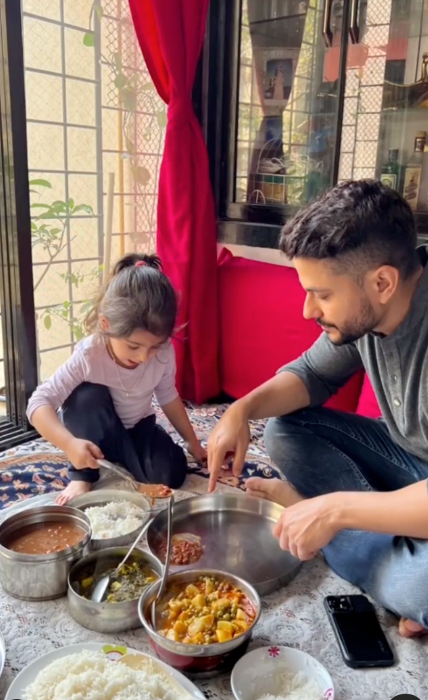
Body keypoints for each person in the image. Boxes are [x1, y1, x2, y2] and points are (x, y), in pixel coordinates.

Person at [207, 179, 428, 639]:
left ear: (382, 283)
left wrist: (333, 512)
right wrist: (240, 410)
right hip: (407, 462)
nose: (308, 310)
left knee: (421, 587)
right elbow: (311, 375)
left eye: (322, 294)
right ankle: (386, 551)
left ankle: (351, 541)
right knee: (284, 431)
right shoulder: (371, 311)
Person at [27, 253, 206, 505]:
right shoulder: (90, 354)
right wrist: (69, 444)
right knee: (84, 396)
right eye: (133, 346)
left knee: (171, 473)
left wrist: (192, 442)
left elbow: (168, 395)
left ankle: (118, 460)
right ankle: (83, 474)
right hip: (95, 430)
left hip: (138, 428)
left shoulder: (164, 353)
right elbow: (38, 403)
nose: (144, 357)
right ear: (106, 324)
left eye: (154, 346)